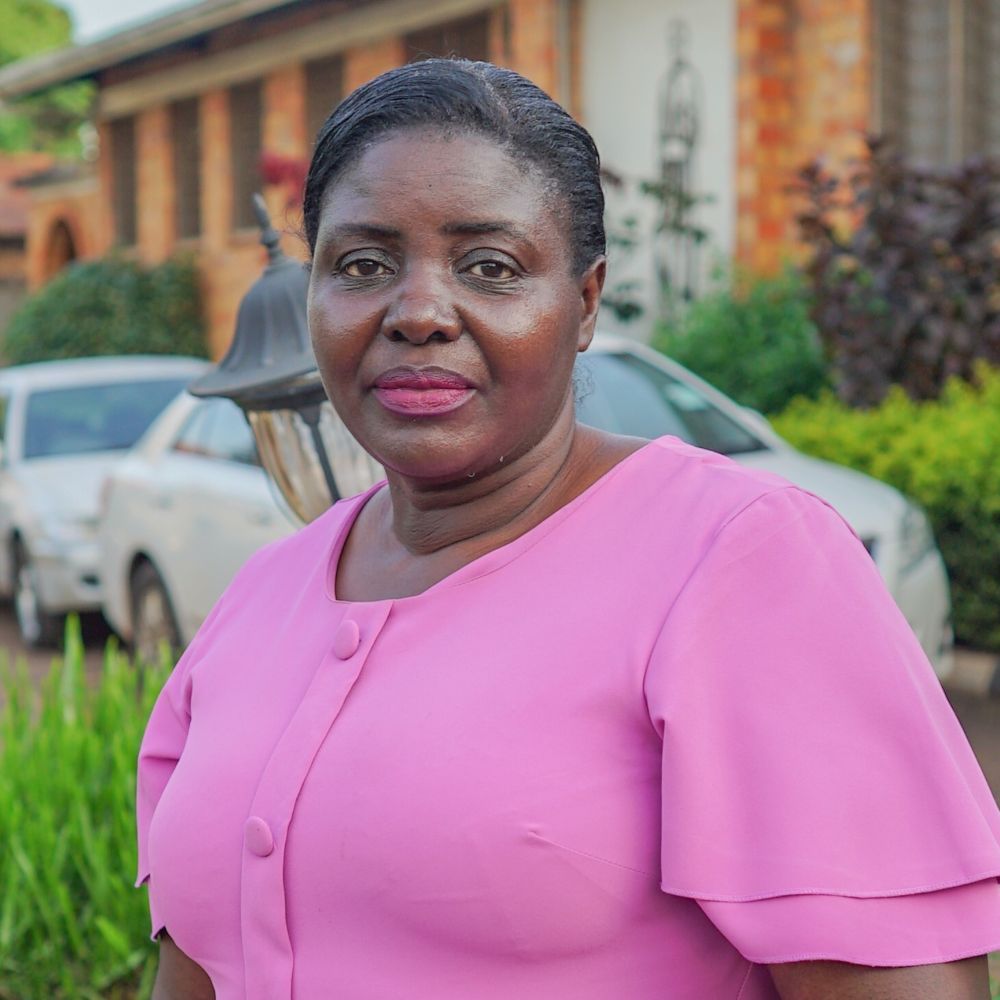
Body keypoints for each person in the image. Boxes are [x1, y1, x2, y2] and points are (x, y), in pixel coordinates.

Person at [138, 59, 1000, 1000]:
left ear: (583, 303)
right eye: (363, 265)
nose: (418, 312)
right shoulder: (262, 596)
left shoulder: (734, 559)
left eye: (491, 268)